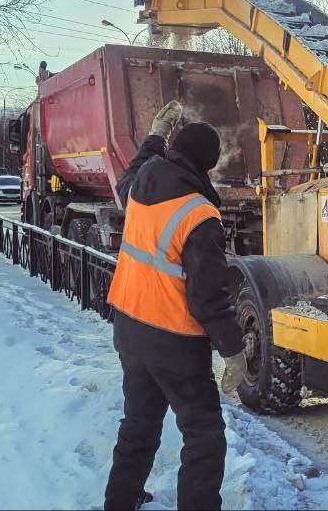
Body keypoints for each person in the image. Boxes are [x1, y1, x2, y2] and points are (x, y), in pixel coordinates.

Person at [103, 100, 249, 511]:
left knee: (138, 424)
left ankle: (119, 502)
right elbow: (209, 299)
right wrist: (234, 351)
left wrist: (155, 135)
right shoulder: (200, 214)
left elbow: (132, 171)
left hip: (129, 325)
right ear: (209, 164)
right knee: (203, 436)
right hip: (175, 340)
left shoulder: (142, 181)